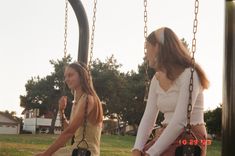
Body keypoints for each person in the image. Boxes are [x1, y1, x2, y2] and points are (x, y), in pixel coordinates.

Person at [132, 27, 209, 156]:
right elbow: (148, 117)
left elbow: (180, 121)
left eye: (147, 48)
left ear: (157, 48)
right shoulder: (156, 79)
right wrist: (137, 148)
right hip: (167, 134)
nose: (145, 54)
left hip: (189, 137)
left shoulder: (189, 75)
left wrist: (152, 153)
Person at [35, 62, 103, 156]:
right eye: (65, 76)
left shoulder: (88, 99)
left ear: (82, 76)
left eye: (70, 75)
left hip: (86, 152)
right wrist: (61, 111)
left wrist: (46, 154)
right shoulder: (77, 102)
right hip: (76, 150)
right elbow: (69, 128)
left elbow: (69, 132)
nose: (66, 79)